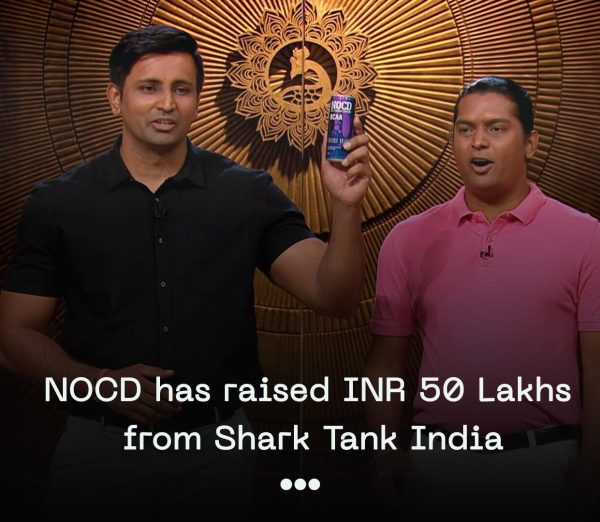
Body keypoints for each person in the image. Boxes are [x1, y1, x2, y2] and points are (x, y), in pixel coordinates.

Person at [0, 25, 371, 514]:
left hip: (216, 448)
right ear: (115, 98)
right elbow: (13, 336)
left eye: (181, 89)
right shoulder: (59, 203)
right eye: (148, 88)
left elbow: (335, 297)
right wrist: (96, 381)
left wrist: (345, 207)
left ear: (197, 101)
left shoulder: (247, 193)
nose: (166, 104)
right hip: (99, 448)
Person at [365, 76, 599, 517]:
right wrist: (384, 458)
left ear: (530, 143)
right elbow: (384, 365)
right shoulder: (407, 239)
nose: (478, 142)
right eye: (465, 129)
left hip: (545, 465)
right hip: (435, 467)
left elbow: (597, 367)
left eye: (496, 128)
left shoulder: (586, 237)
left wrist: (591, 470)